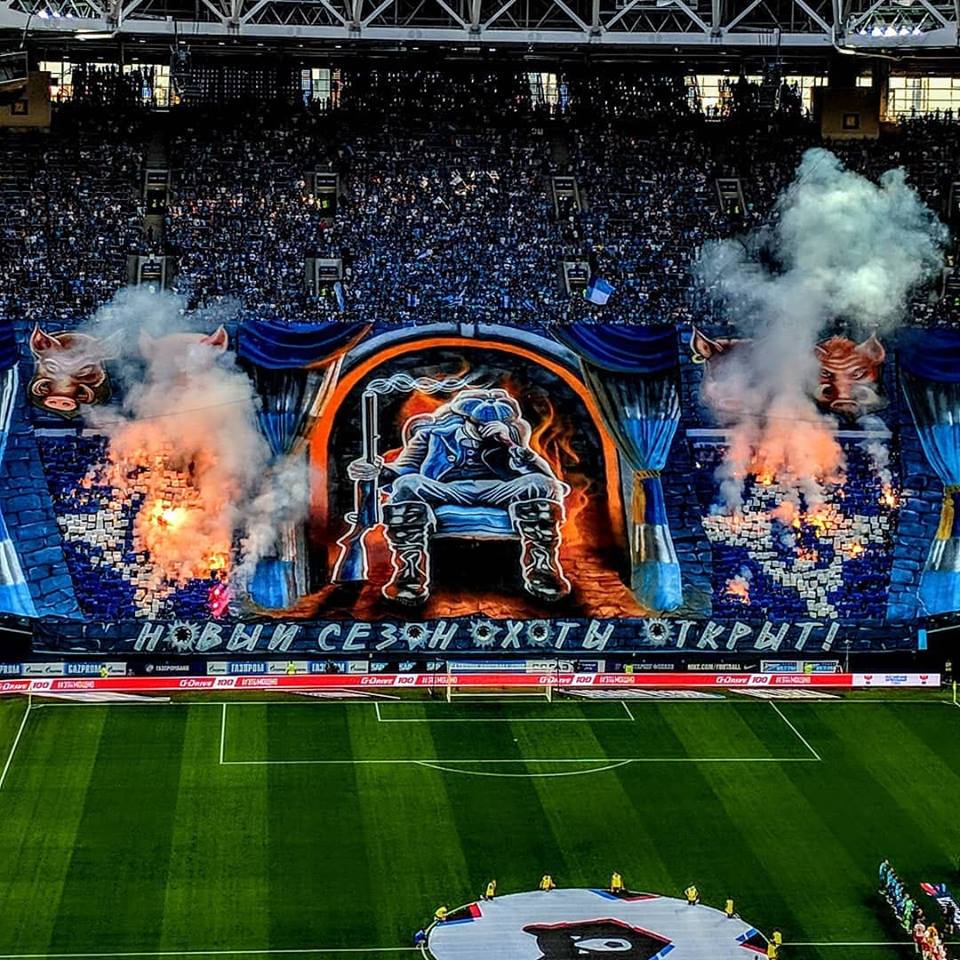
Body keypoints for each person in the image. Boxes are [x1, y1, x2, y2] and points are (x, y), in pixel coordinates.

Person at [347, 388, 569, 605]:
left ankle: (542, 570)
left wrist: (510, 443)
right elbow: (403, 471)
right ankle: (409, 574)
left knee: (542, 484)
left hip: (497, 490)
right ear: (465, 419)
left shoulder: (510, 435)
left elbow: (547, 481)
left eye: (495, 423)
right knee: (408, 483)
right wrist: (378, 472)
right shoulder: (431, 435)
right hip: (446, 491)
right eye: (480, 423)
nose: (487, 429)